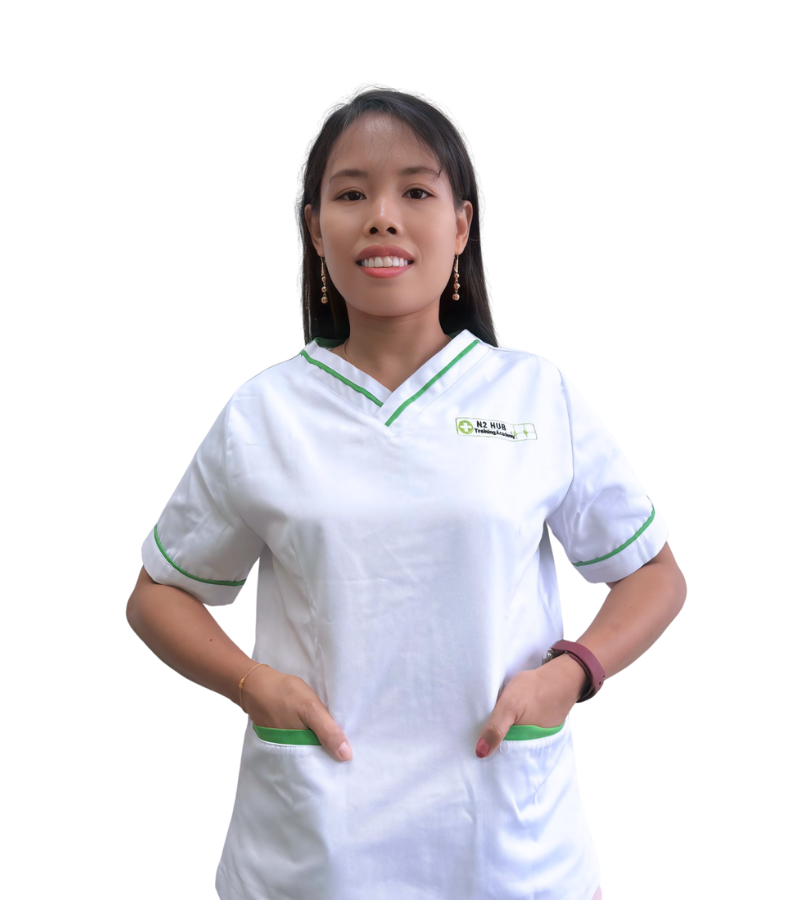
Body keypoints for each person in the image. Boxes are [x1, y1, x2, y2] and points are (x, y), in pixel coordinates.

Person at [126, 87, 687, 900]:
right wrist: (255, 686)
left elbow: (655, 575)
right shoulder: (264, 413)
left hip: (509, 847)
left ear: (461, 226)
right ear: (315, 229)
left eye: (416, 192)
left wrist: (571, 674)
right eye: (352, 195)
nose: (382, 218)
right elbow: (156, 596)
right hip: (315, 852)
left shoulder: (535, 396)